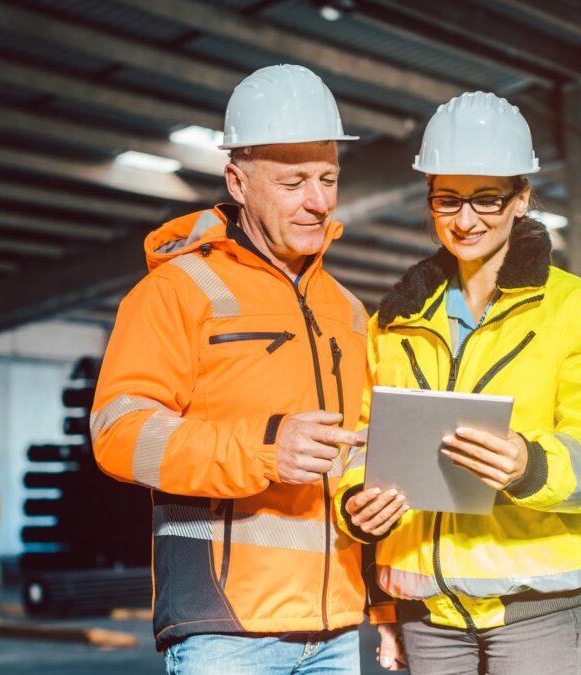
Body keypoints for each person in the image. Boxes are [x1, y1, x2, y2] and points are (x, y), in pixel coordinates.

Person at [335, 92, 581, 674]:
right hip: (426, 611)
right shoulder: (394, 323)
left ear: (521, 199)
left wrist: (531, 466)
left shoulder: (579, 313)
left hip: (538, 608)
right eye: (447, 200)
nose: (465, 219)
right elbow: (359, 440)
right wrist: (356, 503)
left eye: (487, 199)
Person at [91, 64, 376, 674]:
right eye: (293, 181)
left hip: (337, 626)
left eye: (328, 178)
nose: (318, 200)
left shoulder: (347, 311)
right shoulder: (178, 290)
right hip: (226, 628)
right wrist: (266, 446)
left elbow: (353, 455)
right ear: (238, 182)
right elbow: (118, 434)